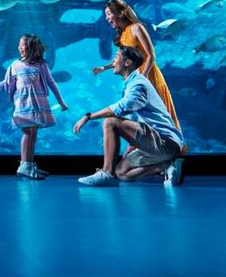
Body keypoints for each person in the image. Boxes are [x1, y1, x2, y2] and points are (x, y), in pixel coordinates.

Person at [74, 45, 185, 187]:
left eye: (116, 57)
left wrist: (88, 116)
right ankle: (167, 166)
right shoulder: (131, 83)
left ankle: (106, 174)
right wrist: (132, 146)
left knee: (110, 122)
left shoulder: (138, 84)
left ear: (128, 63)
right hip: (156, 146)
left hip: (165, 142)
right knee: (121, 173)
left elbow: (122, 107)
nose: (113, 61)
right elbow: (136, 122)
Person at [0, 34, 68, 179]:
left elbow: (52, 83)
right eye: (19, 44)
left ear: (32, 47)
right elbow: (5, 84)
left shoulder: (42, 65)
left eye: (23, 45)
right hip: (24, 104)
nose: (20, 48)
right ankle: (24, 165)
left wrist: (61, 102)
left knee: (33, 134)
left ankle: (30, 164)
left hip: (38, 103)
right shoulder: (15, 65)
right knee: (28, 133)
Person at [92, 0, 182, 132]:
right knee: (140, 113)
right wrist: (104, 68)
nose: (106, 18)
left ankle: (172, 142)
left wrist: (143, 78)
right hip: (133, 78)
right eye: (106, 15)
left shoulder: (137, 28)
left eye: (109, 13)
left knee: (160, 110)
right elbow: (121, 59)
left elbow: (151, 55)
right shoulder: (122, 35)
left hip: (148, 74)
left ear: (121, 13)